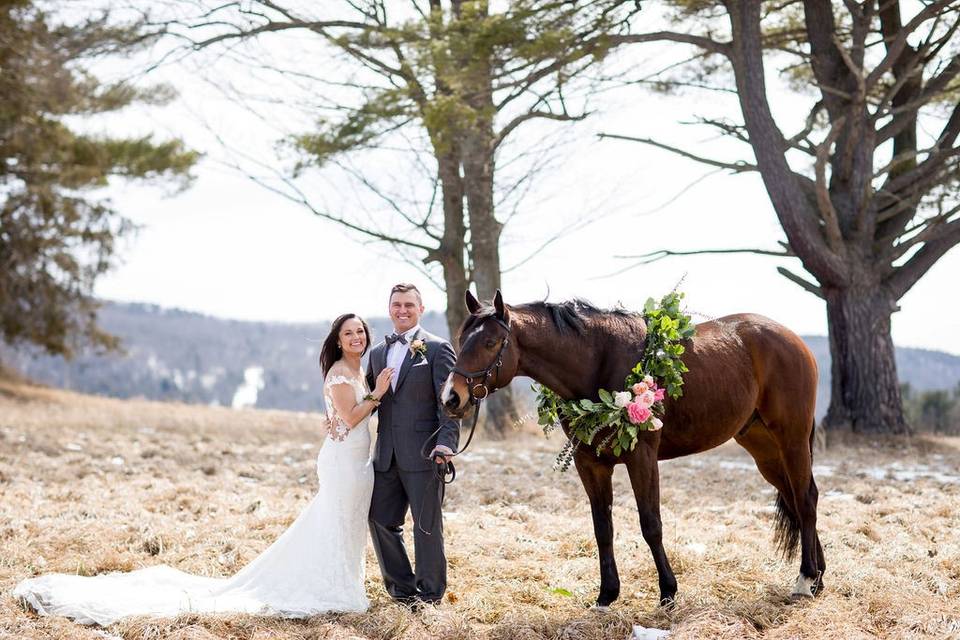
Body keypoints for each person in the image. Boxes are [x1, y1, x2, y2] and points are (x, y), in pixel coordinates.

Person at [12, 314, 392, 626]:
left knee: (342, 524)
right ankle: (333, 587)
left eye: (360, 331)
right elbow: (351, 415)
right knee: (335, 522)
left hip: (357, 460)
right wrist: (378, 393)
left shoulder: (358, 370)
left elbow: (338, 419)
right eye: (349, 333)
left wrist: (368, 394)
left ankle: (342, 582)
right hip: (343, 463)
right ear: (338, 341)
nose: (356, 337)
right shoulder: (343, 373)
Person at [366, 283, 460, 607]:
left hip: (426, 454)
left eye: (409, 305)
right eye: (396, 305)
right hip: (386, 455)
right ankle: (402, 591)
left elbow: (449, 404)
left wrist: (446, 444)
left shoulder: (437, 348)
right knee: (379, 518)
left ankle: (430, 595)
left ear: (421, 308)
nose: (402, 310)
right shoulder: (377, 353)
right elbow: (370, 399)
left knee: (426, 528)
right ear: (389, 308)